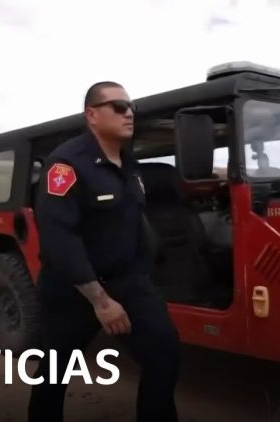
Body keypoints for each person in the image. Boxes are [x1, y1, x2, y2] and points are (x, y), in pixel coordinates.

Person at [28, 81, 180, 422]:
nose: (129, 113)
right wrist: (100, 301)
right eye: (119, 106)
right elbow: (59, 239)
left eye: (132, 108)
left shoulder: (129, 164)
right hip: (73, 289)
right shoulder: (65, 165)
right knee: (55, 370)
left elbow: (132, 225)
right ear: (92, 115)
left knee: (165, 355)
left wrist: (143, 278)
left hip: (127, 282)